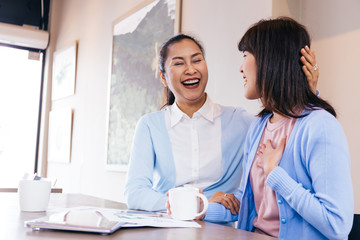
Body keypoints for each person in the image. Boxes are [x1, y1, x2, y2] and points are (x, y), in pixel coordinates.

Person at [124, 33, 319, 213]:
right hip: (166, 230)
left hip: (219, 230)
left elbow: (284, 129)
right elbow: (135, 193)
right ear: (164, 78)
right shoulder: (150, 125)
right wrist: (199, 202)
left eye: (197, 60)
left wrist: (307, 95)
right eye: (179, 63)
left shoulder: (239, 121)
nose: (191, 69)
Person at [203, 17, 353, 239]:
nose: (240, 67)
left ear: (268, 59)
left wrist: (275, 174)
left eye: (245, 56)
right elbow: (245, 203)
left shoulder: (319, 126)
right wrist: (198, 209)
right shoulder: (258, 127)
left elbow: (337, 225)